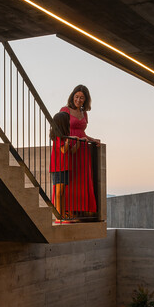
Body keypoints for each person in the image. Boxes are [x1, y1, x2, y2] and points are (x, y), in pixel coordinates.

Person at [60, 85, 99, 218]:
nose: (78, 99)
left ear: (85, 99)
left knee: (82, 179)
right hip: (70, 147)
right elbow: (60, 129)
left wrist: (93, 139)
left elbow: (82, 133)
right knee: (70, 179)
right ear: (72, 96)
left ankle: (80, 209)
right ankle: (67, 210)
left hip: (82, 148)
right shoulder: (65, 110)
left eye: (82, 97)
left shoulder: (84, 113)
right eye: (76, 96)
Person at [49, 111, 79, 222]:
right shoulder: (58, 137)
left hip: (65, 167)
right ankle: (58, 217)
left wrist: (77, 143)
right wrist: (68, 140)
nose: (69, 124)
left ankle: (62, 215)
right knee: (58, 192)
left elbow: (71, 151)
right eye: (68, 122)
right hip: (58, 167)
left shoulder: (64, 137)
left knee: (62, 192)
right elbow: (63, 150)